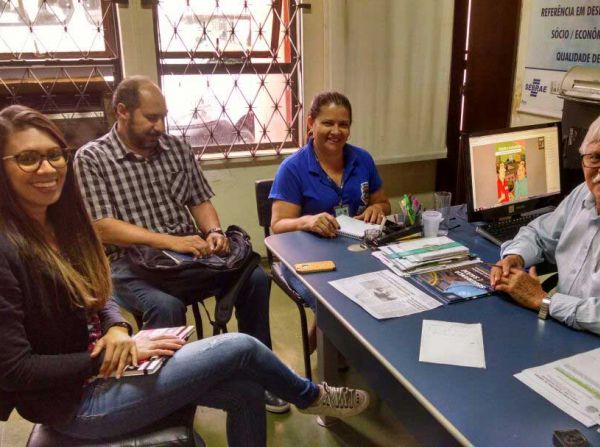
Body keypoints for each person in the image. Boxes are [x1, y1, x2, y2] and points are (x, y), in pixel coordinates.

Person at [0, 105, 369, 447]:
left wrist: (117, 329)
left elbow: (98, 294)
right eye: (27, 159)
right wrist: (104, 359)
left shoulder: (61, 227)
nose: (47, 169)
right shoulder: (8, 248)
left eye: (53, 156)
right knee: (239, 346)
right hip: (78, 403)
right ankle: (311, 397)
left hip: (109, 369)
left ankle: (294, 393)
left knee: (246, 389)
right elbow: (14, 370)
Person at [73, 76, 287, 412]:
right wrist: (173, 241)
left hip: (186, 256)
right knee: (165, 306)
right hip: (127, 265)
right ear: (122, 112)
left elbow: (199, 200)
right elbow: (103, 228)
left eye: (163, 117)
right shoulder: (92, 158)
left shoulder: (176, 149)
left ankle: (261, 379)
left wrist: (214, 231)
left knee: (255, 279)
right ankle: (164, 398)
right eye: (151, 118)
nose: (160, 126)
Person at [490, 111, 600, 345]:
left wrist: (545, 302)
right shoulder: (584, 194)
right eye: (595, 157)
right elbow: (537, 234)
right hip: (563, 327)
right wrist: (516, 256)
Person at [268, 92, 391, 348]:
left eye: (343, 124)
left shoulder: (363, 159)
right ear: (311, 123)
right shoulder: (292, 168)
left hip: (358, 251)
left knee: (388, 286)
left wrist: (377, 209)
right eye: (328, 123)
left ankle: (342, 339)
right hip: (309, 259)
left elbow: (384, 203)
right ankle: (332, 344)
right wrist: (307, 221)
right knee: (337, 300)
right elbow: (277, 227)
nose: (336, 131)